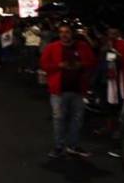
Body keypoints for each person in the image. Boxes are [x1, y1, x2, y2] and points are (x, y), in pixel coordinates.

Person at [40, 23, 97, 158]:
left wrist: (81, 65)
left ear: (72, 34)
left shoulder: (82, 47)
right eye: (61, 32)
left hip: (78, 89)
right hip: (59, 90)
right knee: (59, 119)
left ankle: (73, 145)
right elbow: (43, 64)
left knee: (77, 119)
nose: (64, 35)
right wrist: (58, 65)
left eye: (67, 32)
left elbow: (93, 62)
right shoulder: (52, 47)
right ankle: (59, 146)